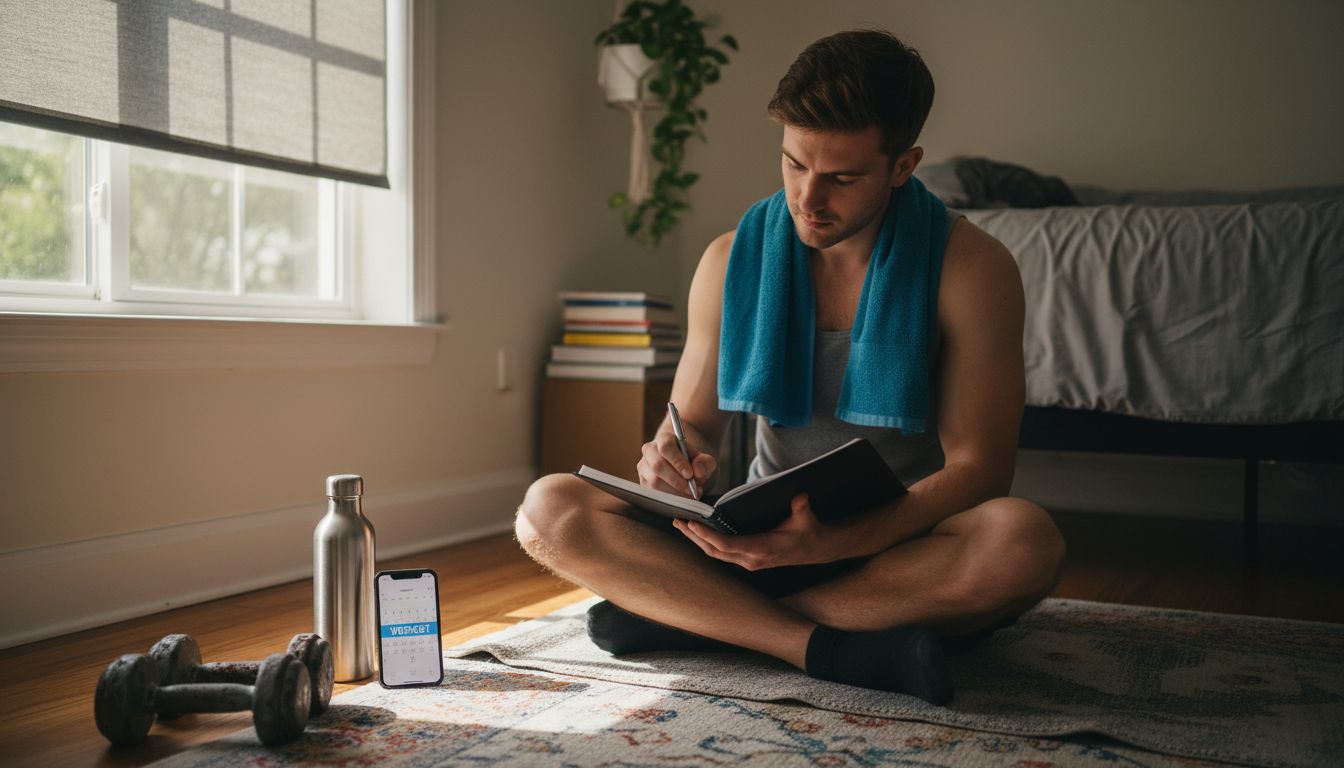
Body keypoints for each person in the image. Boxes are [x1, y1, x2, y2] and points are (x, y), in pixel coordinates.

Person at [515, 29, 1065, 705]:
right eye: (794, 163)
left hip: (894, 548)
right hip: (753, 544)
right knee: (547, 509)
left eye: (841, 177)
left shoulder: (970, 268)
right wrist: (669, 458)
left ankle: (699, 619)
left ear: (902, 165)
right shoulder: (727, 260)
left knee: (1023, 543)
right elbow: (691, 425)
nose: (808, 196)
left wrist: (834, 542)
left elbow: (980, 470)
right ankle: (815, 645)